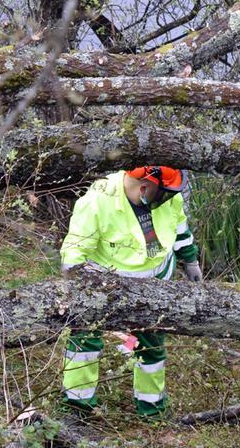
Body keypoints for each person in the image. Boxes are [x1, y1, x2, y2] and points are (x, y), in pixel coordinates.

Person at [59, 166, 202, 417]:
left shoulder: (168, 195)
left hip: (155, 285)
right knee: (85, 343)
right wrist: (77, 292)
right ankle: (77, 408)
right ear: (145, 188)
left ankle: (152, 410)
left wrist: (190, 261)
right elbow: (73, 252)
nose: (169, 198)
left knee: (151, 347)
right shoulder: (97, 200)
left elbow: (180, 228)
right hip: (103, 285)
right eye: (164, 194)